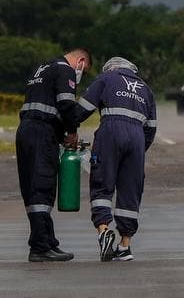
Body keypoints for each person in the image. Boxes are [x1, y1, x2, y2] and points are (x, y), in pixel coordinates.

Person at [73, 56, 158, 261]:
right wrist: (137, 150)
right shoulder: (145, 89)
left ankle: (104, 230)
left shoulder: (106, 78)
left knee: (102, 182)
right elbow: (152, 128)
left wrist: (67, 126)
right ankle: (124, 246)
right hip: (137, 137)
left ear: (111, 68)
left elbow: (83, 109)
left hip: (110, 131)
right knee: (131, 189)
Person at [16, 47, 92, 262]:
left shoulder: (41, 68)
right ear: (81, 60)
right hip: (42, 132)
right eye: (84, 70)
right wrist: (72, 131)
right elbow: (67, 105)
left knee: (33, 187)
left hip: (27, 130)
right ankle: (40, 247)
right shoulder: (65, 70)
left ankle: (47, 241)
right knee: (42, 186)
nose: (81, 74)